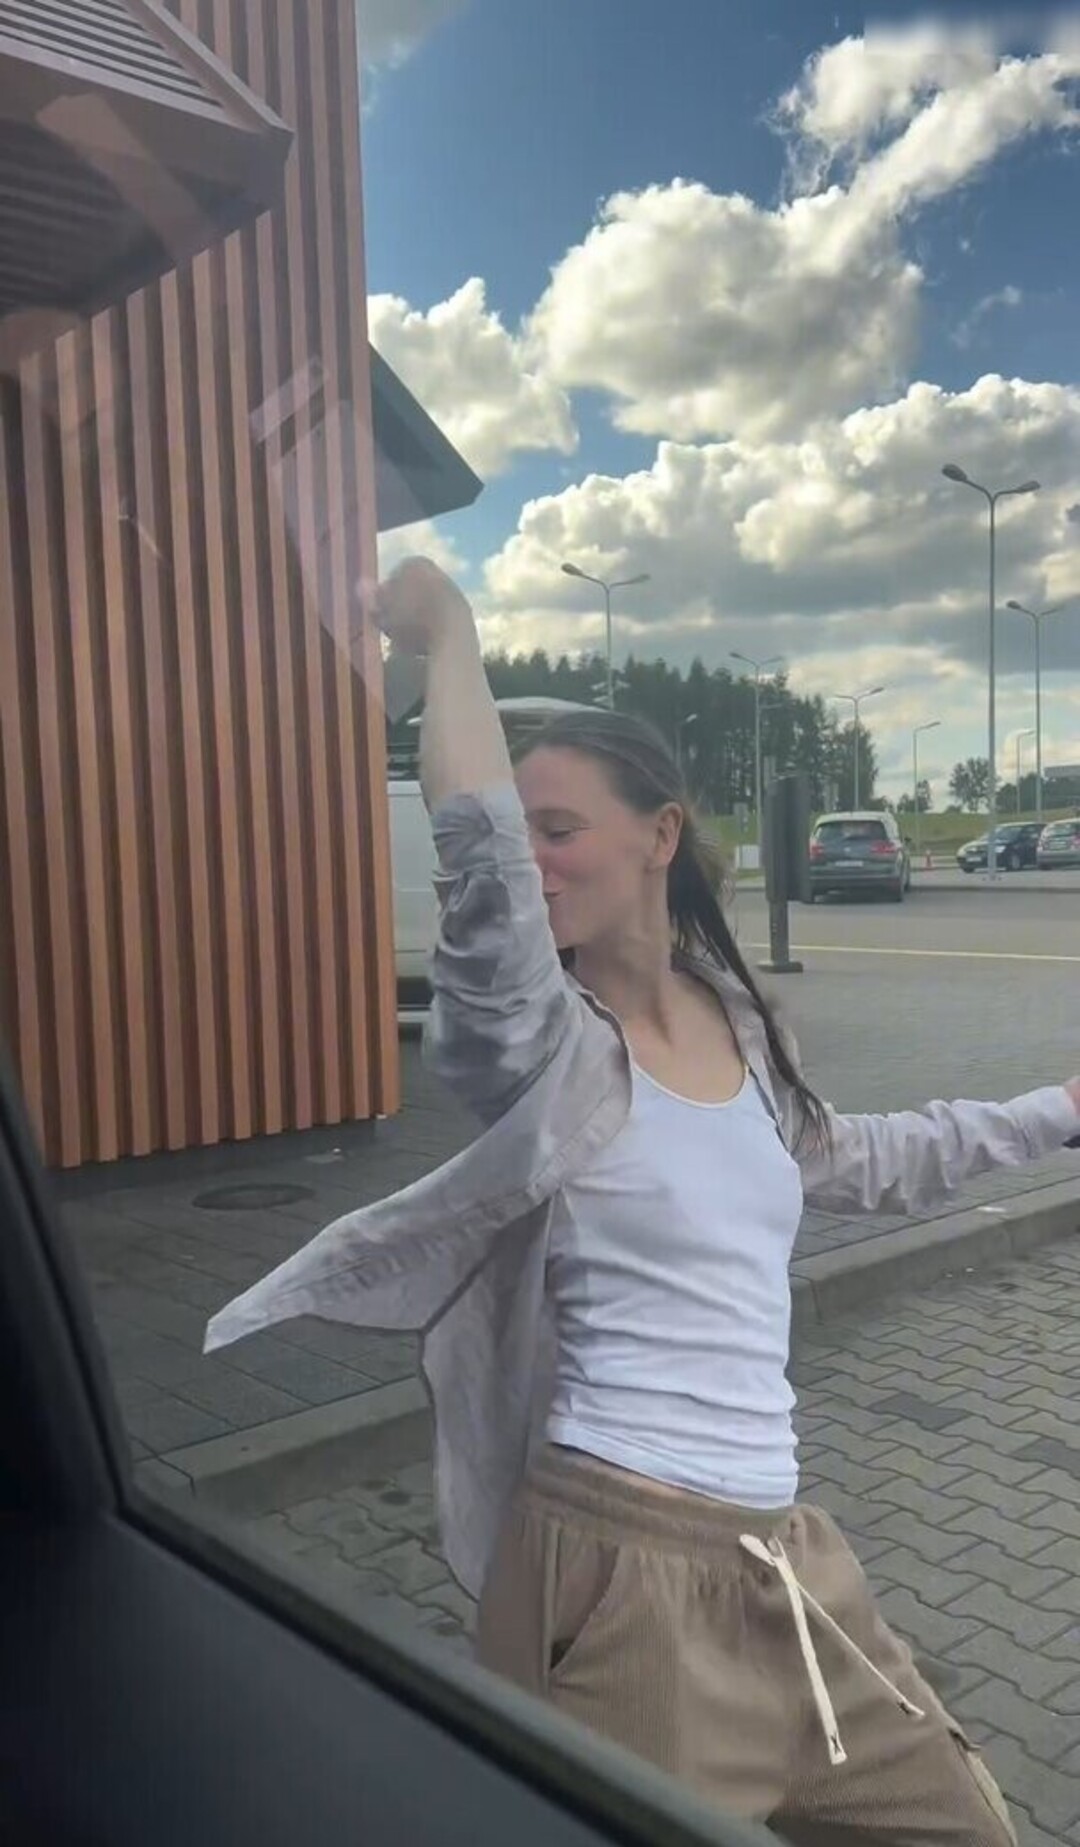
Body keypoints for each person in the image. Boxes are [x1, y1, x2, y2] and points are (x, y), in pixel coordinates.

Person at [206, 558, 1080, 1846]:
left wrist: (1061, 1108)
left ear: (660, 837)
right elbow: (482, 868)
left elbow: (865, 1157)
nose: (535, 861)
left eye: (562, 830)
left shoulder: (741, 1025)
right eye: (527, 830)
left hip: (790, 1563)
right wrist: (451, 636)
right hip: (622, 1571)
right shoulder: (539, 1045)